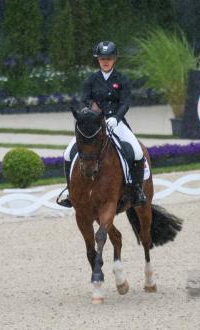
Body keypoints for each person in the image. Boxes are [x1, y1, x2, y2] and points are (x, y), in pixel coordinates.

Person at [57, 41, 147, 208]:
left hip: (115, 122)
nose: (105, 61)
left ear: (114, 60)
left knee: (136, 152)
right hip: (94, 125)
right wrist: (88, 112)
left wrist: (116, 118)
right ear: (98, 60)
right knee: (68, 153)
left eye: (109, 58)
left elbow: (125, 102)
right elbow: (84, 100)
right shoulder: (91, 79)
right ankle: (71, 192)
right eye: (102, 58)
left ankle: (137, 190)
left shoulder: (122, 79)